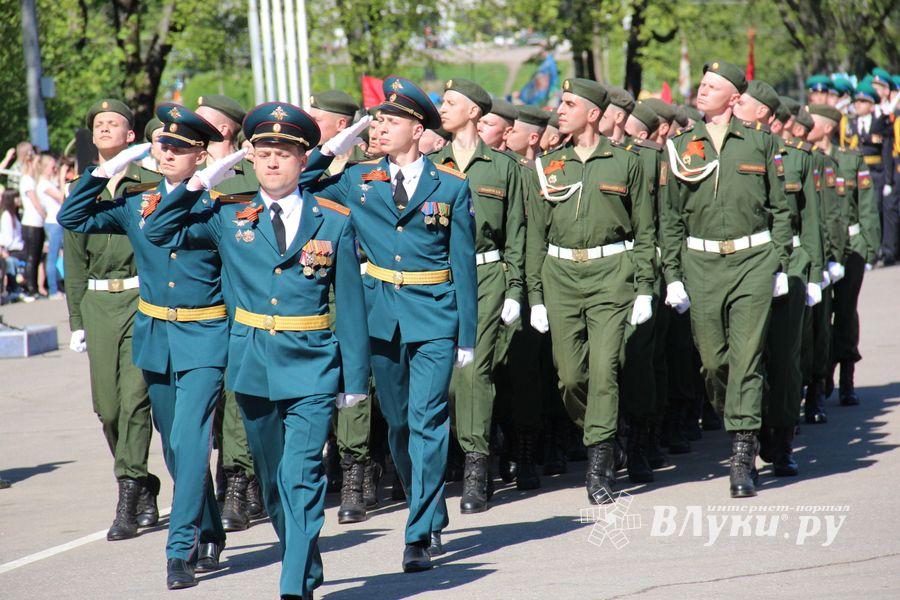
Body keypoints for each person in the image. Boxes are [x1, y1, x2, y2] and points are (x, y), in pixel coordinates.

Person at [145, 102, 371, 599]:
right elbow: (159, 230)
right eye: (263, 153)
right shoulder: (229, 216)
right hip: (253, 365)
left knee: (301, 474)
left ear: (303, 159)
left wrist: (354, 380)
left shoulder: (333, 221)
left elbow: (351, 308)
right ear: (250, 159)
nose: (272, 162)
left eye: (284, 154)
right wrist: (202, 181)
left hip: (312, 363)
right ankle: (305, 563)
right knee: (272, 483)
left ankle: (293, 585)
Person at [59, 103, 234, 590]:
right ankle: (209, 526)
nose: (169, 152)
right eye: (163, 144)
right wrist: (105, 170)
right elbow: (71, 215)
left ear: (200, 156)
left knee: (192, 438)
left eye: (181, 147)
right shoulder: (137, 202)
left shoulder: (217, 206)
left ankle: (180, 551)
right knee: (176, 448)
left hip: (204, 337)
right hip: (156, 337)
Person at [310, 76, 477, 572]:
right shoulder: (359, 179)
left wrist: (466, 334)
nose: (381, 127)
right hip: (381, 317)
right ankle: (429, 505)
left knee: (427, 421)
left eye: (391, 120)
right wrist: (334, 146)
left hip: (433, 317)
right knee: (401, 426)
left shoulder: (450, 186)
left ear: (417, 129)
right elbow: (302, 183)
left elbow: (463, 263)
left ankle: (418, 532)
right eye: (378, 119)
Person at [660, 61, 792, 498]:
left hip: (753, 260)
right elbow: (671, 217)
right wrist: (673, 275)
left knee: (747, 358)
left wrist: (777, 260)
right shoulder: (680, 146)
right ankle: (747, 413)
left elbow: (780, 210)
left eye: (712, 86)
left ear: (734, 98)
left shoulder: (760, 143)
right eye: (701, 84)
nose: (702, 91)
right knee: (715, 363)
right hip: (701, 264)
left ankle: (742, 452)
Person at [526, 78, 655, 504]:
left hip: (611, 274)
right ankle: (605, 428)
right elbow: (534, 239)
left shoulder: (625, 162)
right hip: (560, 274)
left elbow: (644, 230)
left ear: (594, 113)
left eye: (568, 104)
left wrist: (644, 288)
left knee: (604, 371)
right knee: (570, 376)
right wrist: (535, 296)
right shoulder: (548, 165)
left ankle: (599, 465)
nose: (559, 111)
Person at [62, 99, 159, 541]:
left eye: (113, 122)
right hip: (100, 306)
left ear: (130, 136)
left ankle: (128, 491)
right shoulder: (83, 189)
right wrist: (77, 321)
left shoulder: (148, 185)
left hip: (141, 299)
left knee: (135, 399)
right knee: (108, 408)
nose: (103, 127)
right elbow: (75, 263)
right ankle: (143, 481)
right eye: (97, 122)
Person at [431, 78, 524, 513]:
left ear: (473, 112)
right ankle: (463, 448)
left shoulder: (504, 168)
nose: (441, 107)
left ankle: (476, 467)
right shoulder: (432, 164)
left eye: (450, 102)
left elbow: (519, 234)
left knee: (473, 372)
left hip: (487, 277)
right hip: (438, 280)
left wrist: (517, 288)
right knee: (445, 378)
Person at [194, 93, 263, 532]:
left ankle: (237, 480)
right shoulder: (186, 175)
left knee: (238, 396)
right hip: (197, 303)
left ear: (222, 130)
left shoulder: (250, 176)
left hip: (240, 298)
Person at [36, 154, 68, 299]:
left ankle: (59, 287)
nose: (55, 169)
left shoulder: (47, 182)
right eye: (52, 167)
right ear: (45, 168)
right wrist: (61, 178)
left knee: (61, 256)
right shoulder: (43, 184)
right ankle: (53, 290)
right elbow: (62, 198)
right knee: (52, 257)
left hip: (56, 222)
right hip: (53, 223)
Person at [18, 150, 43, 297]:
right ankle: (31, 288)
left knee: (36, 256)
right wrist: (44, 215)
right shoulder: (27, 179)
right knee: (32, 257)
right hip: (31, 221)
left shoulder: (31, 179)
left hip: (36, 222)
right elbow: (35, 202)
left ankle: (33, 286)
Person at [0, 190, 28, 299]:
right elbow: (8, 239)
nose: (19, 200)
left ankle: (25, 286)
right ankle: (18, 288)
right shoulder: (6, 216)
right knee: (30, 258)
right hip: (12, 249)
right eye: (17, 197)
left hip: (18, 247)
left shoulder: (14, 215)